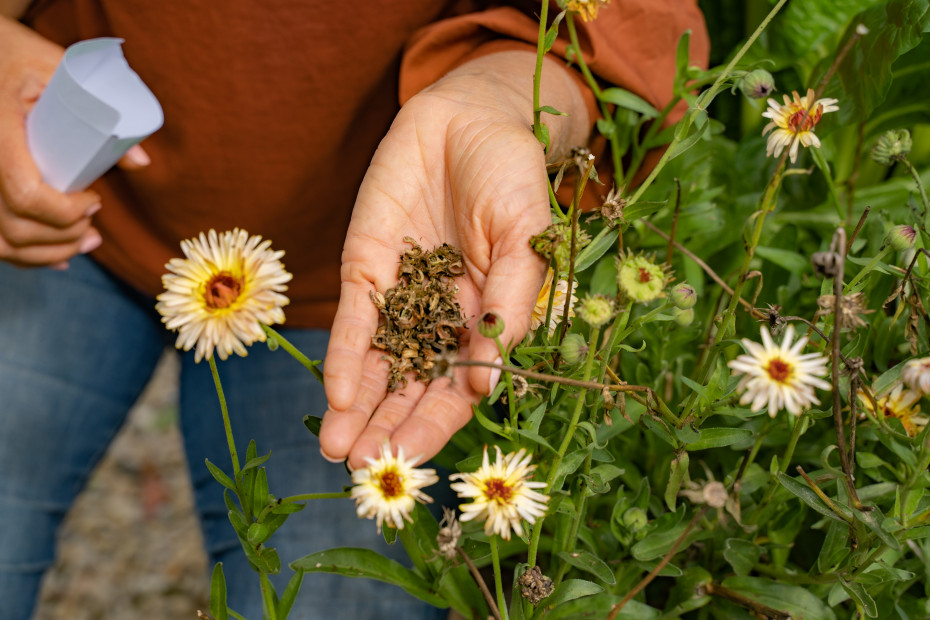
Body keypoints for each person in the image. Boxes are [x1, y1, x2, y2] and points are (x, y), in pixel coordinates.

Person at [0, 1, 708, 618]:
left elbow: (616, 28)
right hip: (67, 189)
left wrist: (494, 103)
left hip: (357, 274)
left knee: (335, 590)